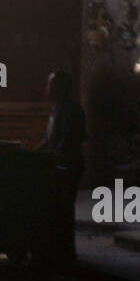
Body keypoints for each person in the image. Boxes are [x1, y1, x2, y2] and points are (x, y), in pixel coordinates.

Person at [41, 69, 86, 263]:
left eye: (51, 84)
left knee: (65, 208)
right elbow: (51, 139)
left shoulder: (70, 109)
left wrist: (55, 158)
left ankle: (66, 253)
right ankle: (57, 250)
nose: (47, 88)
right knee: (58, 208)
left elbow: (67, 140)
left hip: (68, 165)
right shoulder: (58, 107)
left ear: (60, 87)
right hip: (60, 163)